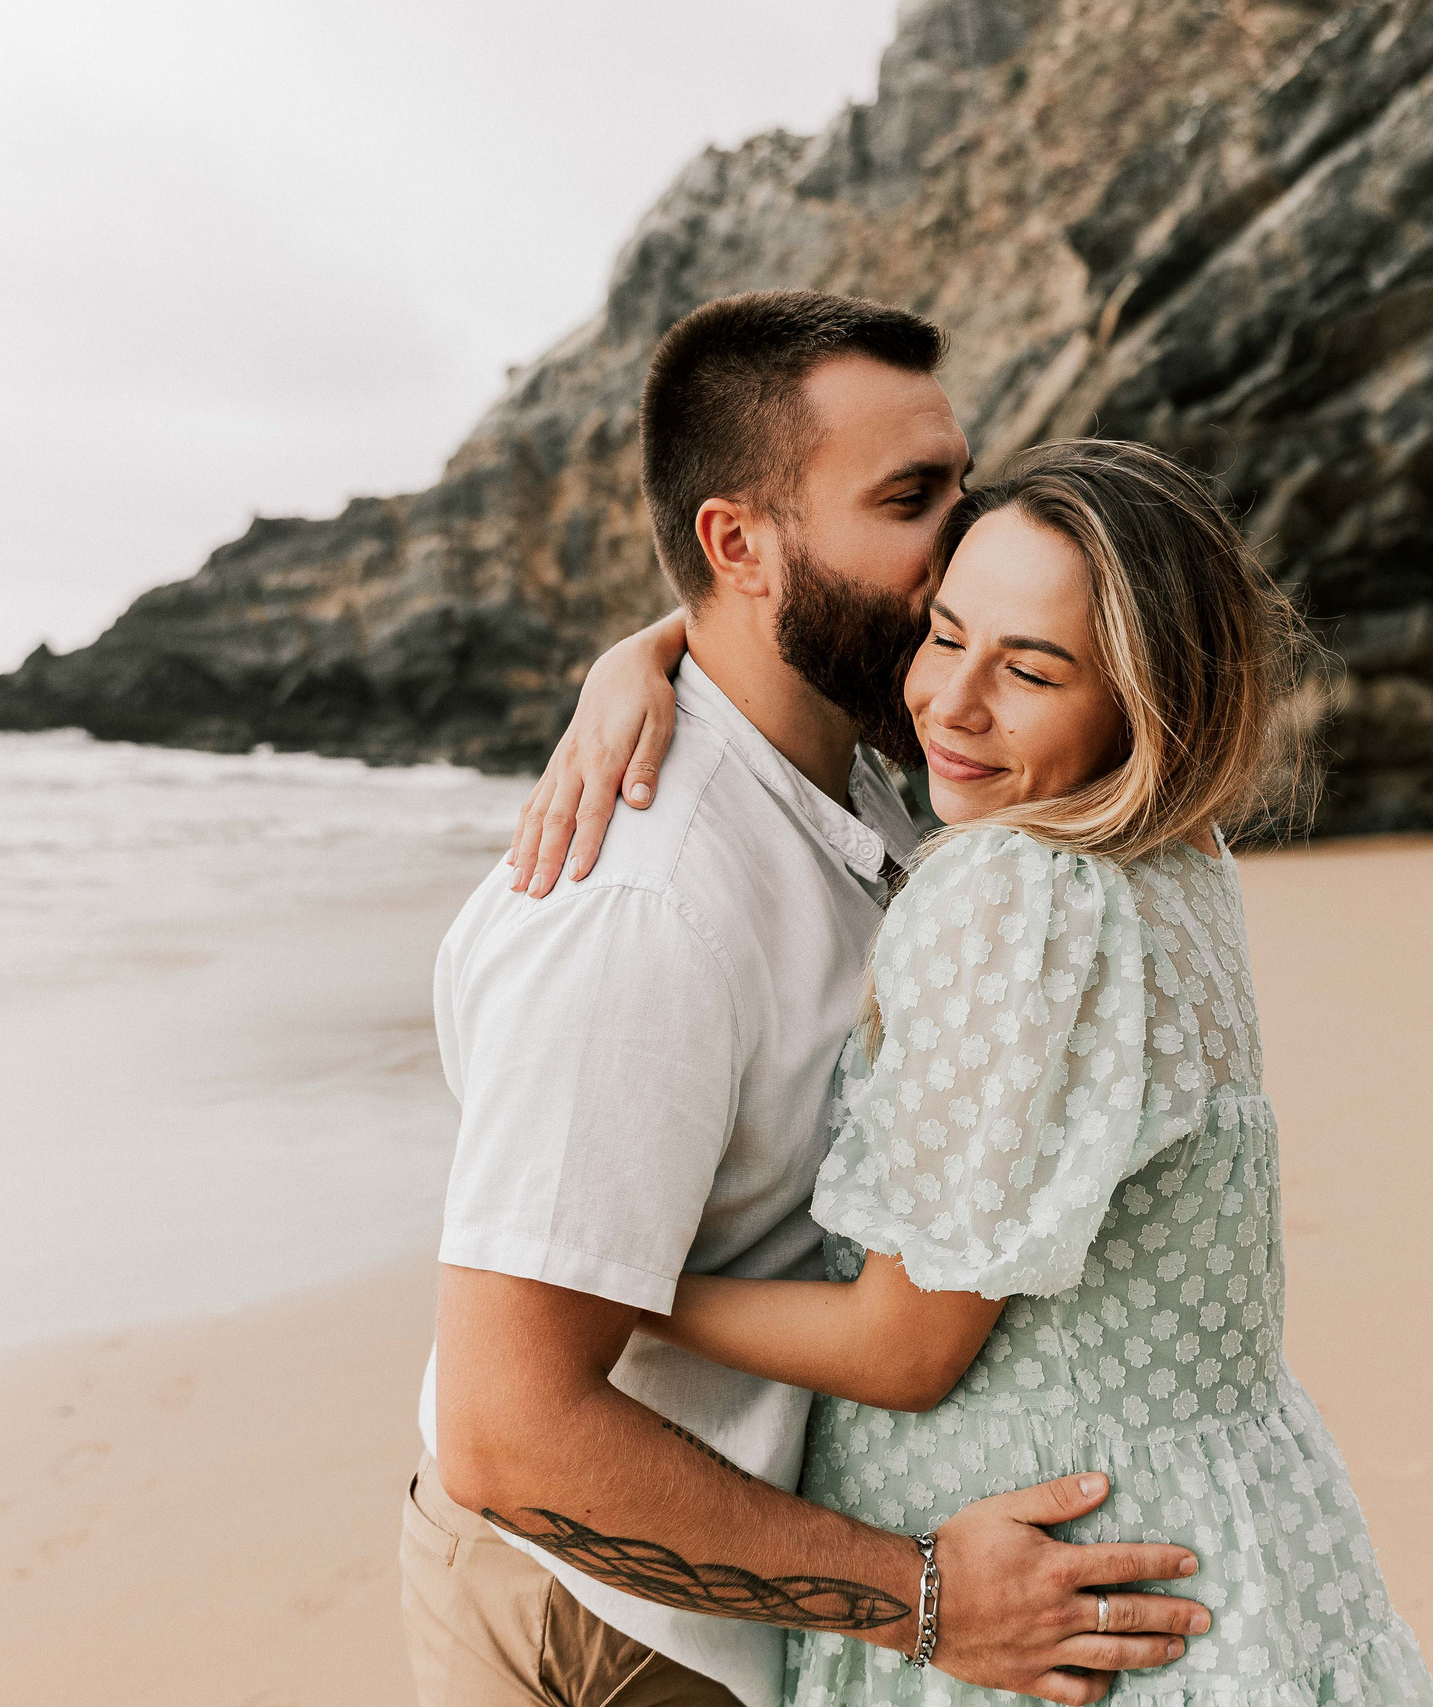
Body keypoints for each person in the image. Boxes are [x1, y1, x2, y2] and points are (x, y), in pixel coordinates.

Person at [530, 439, 1433, 1704]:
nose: (951, 702)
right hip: (1234, 1542)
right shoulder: (1183, 855)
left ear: (1143, 702)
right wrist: (649, 651)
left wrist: (606, 1283)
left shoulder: (1017, 894)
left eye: (1032, 670)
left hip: (1031, 1584)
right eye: (946, 634)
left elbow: (904, 1349)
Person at [405, 292, 1212, 1707]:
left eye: (959, 481)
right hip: (618, 1625)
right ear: (739, 542)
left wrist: (655, 643)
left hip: (755, 1584)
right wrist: (926, 1600)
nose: (961, 539)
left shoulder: (880, 755)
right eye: (911, 499)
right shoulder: (638, 912)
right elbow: (506, 1429)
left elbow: (796, 618)